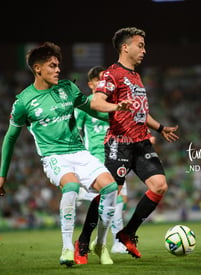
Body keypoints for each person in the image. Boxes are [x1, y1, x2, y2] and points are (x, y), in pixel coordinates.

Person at [0, 42, 133, 266]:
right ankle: (67, 248)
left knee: (110, 187)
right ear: (37, 68)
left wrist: (119, 112)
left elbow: (92, 109)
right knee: (72, 186)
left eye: (58, 65)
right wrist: (2, 175)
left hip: (79, 152)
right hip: (54, 156)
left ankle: (100, 244)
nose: (58, 69)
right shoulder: (23, 102)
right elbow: (10, 138)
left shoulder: (68, 88)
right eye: (52, 65)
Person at [88, 26, 179, 259]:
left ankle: (127, 233)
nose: (144, 51)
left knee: (159, 185)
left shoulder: (136, 76)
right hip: (120, 142)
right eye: (140, 45)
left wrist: (160, 128)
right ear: (125, 47)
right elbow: (97, 102)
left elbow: (140, 112)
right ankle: (82, 241)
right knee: (110, 193)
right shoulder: (112, 74)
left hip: (141, 142)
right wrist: (117, 106)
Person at [74, 66, 128, 262]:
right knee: (102, 204)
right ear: (90, 84)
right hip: (95, 160)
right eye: (99, 80)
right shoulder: (86, 106)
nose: (104, 83)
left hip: (116, 157)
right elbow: (76, 133)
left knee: (117, 202)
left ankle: (112, 242)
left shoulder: (114, 105)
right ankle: (86, 242)